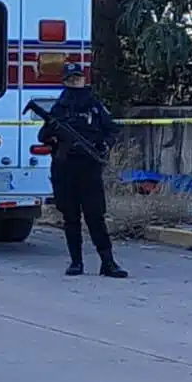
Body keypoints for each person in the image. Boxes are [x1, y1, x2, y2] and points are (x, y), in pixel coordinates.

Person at [38, 63, 128, 278]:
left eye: (78, 78)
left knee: (95, 216)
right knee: (70, 217)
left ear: (84, 79)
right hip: (65, 168)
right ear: (64, 81)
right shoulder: (59, 109)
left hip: (89, 168)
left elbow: (112, 130)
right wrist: (53, 135)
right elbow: (43, 135)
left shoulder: (94, 106)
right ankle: (76, 262)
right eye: (71, 79)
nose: (75, 82)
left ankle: (108, 262)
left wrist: (104, 145)